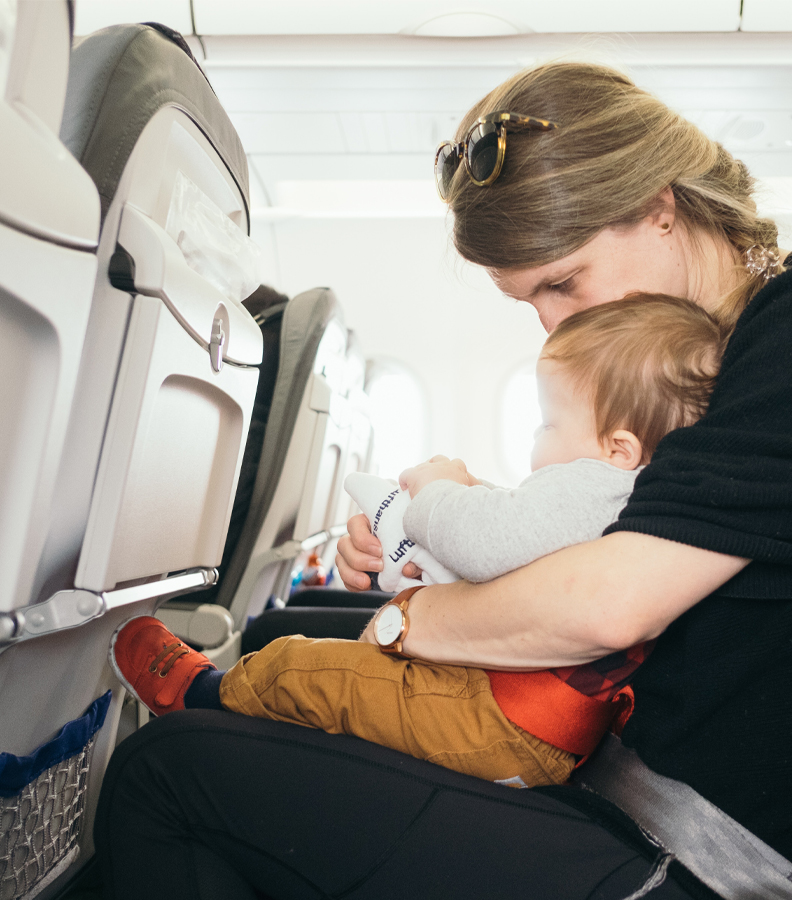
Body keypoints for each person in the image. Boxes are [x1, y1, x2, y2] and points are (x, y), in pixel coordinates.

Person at [94, 61, 792, 900]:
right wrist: (432, 531)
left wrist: (410, 620)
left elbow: (606, 606)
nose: (554, 321)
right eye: (529, 301)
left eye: (563, 280)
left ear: (661, 209)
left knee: (168, 776)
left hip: (704, 857)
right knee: (272, 659)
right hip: (609, 781)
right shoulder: (704, 356)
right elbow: (627, 528)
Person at [107, 294, 726, 789]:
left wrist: (436, 490)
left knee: (303, 666)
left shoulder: (596, 484)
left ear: (618, 446)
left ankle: (201, 697)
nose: (538, 440)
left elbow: (490, 542)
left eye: (547, 423)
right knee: (348, 679)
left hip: (499, 718)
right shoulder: (633, 492)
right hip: (530, 723)